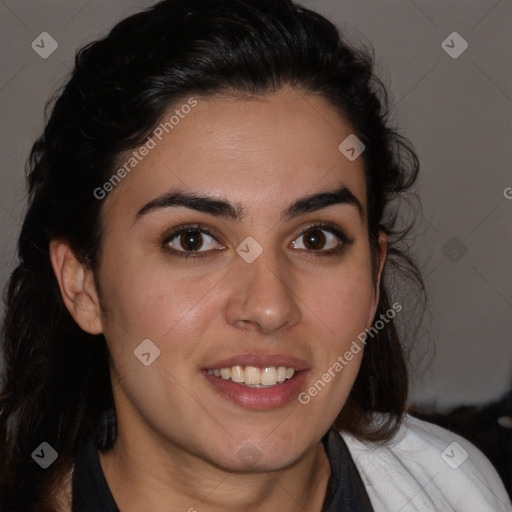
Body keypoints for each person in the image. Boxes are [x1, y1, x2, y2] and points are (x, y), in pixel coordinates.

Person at [0, 1, 510, 511]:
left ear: (375, 273)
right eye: (193, 240)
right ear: (82, 285)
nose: (269, 307)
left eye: (315, 239)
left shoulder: (455, 489)